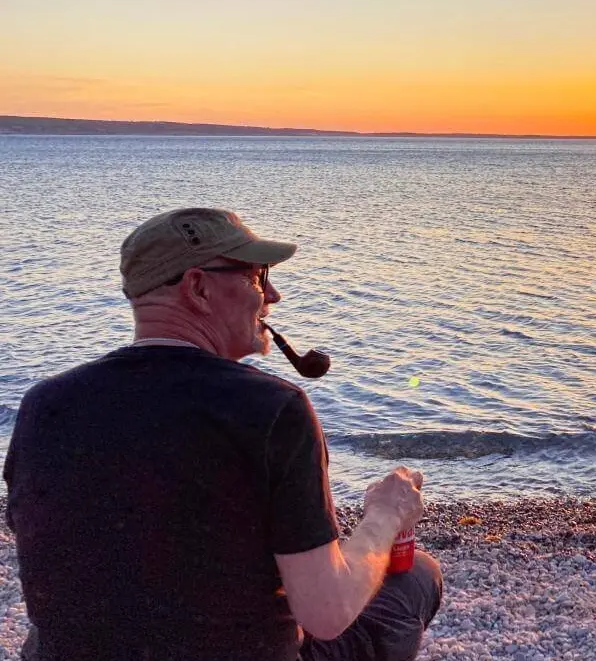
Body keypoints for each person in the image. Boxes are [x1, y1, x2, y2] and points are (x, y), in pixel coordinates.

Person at [4, 208, 441, 661]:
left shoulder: (43, 405)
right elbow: (327, 614)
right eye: (256, 276)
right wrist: (386, 516)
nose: (273, 294)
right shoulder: (272, 408)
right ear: (198, 287)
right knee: (417, 577)